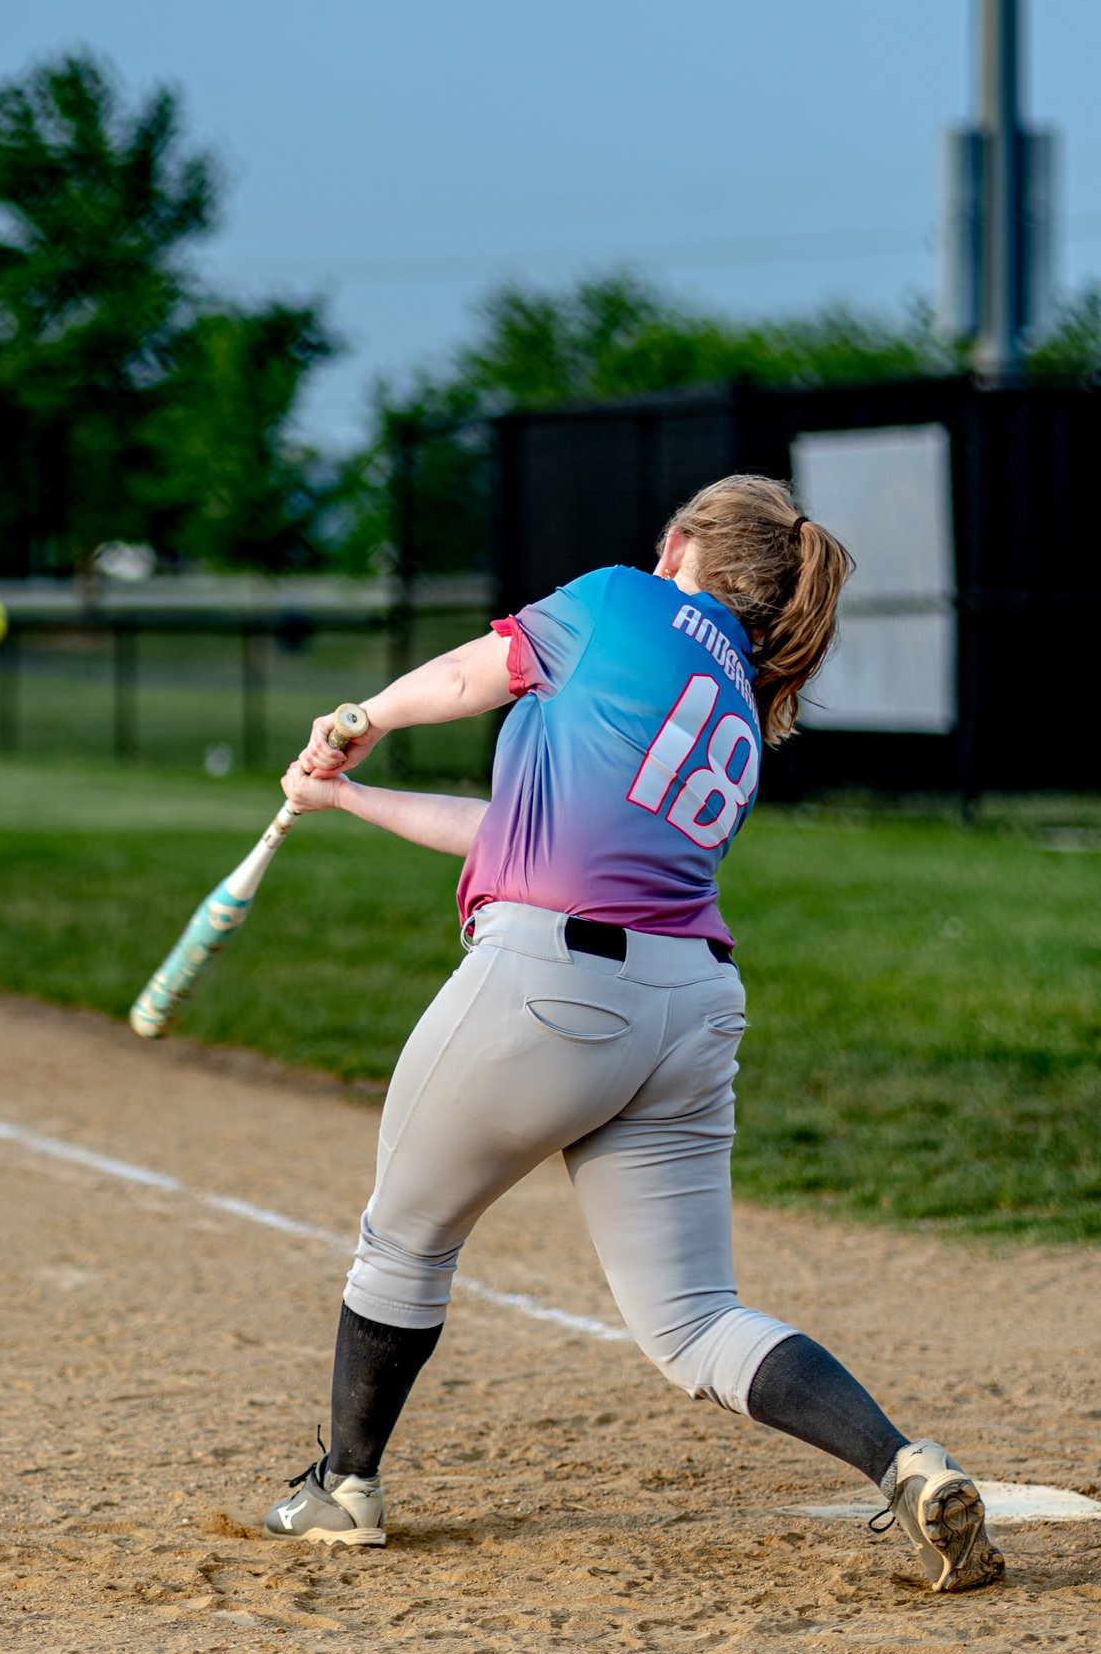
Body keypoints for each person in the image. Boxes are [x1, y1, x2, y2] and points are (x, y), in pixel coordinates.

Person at [258, 474, 1003, 1594]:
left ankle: (346, 1487)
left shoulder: (620, 600)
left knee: (403, 1240)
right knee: (696, 1322)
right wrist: (349, 800)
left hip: (548, 992)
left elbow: (471, 675)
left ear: (684, 545)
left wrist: (364, 715)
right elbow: (516, 834)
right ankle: (904, 1465)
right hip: (687, 1012)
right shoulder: (742, 698)